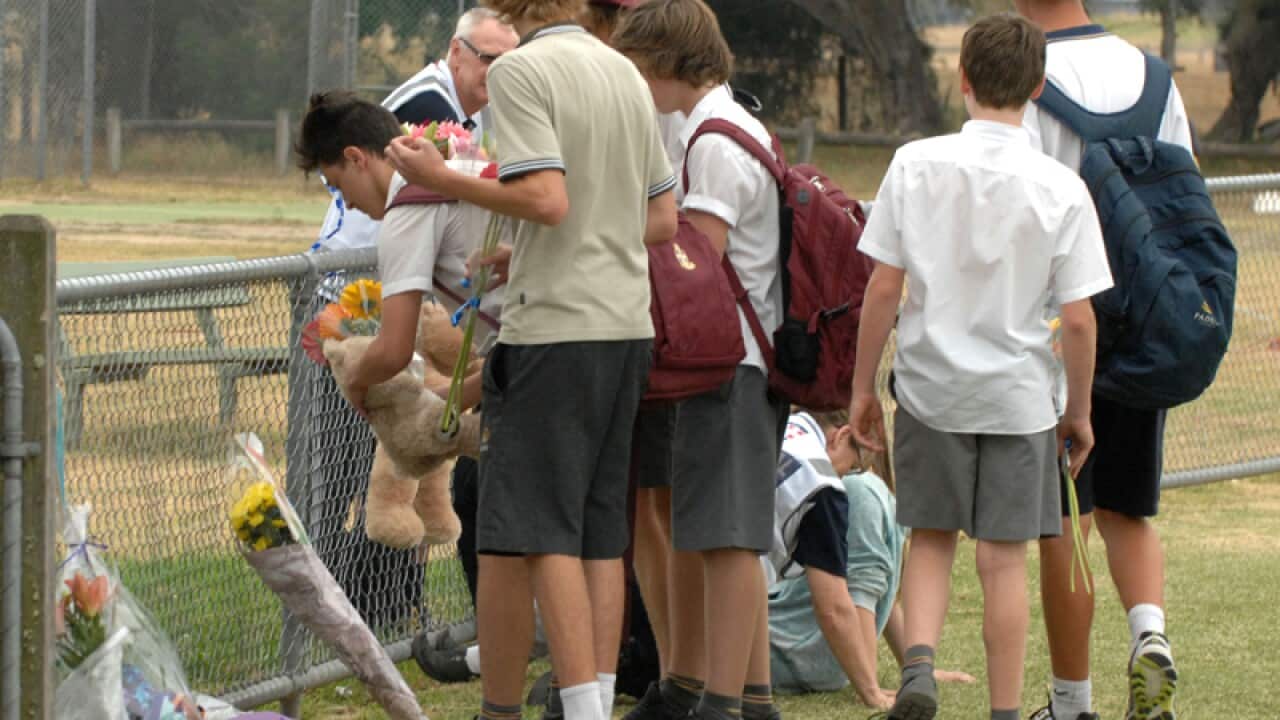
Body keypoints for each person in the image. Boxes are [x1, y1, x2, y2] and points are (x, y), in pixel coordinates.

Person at [386, 0, 678, 718]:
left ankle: (578, 709)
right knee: (600, 533)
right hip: (624, 328)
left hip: (555, 334)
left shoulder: (520, 72)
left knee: (540, 529)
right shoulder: (623, 73)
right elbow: (660, 216)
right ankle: (583, 697)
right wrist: (544, 249)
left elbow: (544, 197)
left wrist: (442, 176)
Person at [849, 14, 1112, 720]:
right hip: (1020, 398)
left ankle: (921, 667)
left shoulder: (913, 163)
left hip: (931, 387)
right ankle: (1001, 710)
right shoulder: (1062, 187)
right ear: (1038, 86)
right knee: (1003, 560)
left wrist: (860, 390)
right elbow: (1081, 318)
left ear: (962, 79)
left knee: (930, 540)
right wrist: (1078, 413)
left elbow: (882, 286)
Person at [1016, 2, 1194, 719]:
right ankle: (1149, 633)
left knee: (1067, 517)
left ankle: (1071, 702)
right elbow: (1186, 197)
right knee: (1130, 507)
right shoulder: (1154, 77)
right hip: (1144, 317)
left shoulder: (1024, 76)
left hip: (1063, 326)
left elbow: (1018, 205)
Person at [612, 3, 786, 719]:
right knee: (718, 531)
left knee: (729, 538)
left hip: (732, 361)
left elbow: (699, 258)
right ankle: (748, 694)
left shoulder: (713, 139)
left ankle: (722, 699)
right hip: (740, 359)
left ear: (663, 59)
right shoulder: (727, 125)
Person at [766, 411, 975, 709]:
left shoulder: (879, 498)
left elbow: (881, 595)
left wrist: (917, 669)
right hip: (790, 652)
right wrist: (871, 689)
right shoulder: (859, 489)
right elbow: (854, 597)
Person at [314, 7, 518, 252]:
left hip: (379, 260)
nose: (498, 71)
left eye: (508, 62)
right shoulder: (429, 101)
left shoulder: (479, 105)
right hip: (354, 264)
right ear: (456, 51)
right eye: (488, 58)